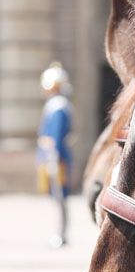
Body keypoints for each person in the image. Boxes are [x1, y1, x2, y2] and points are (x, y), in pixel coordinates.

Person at [37, 62, 74, 248]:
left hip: (56, 158)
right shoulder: (54, 105)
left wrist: (53, 157)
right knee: (56, 198)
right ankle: (59, 232)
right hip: (52, 156)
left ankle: (61, 233)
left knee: (60, 197)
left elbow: (57, 136)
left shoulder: (59, 106)